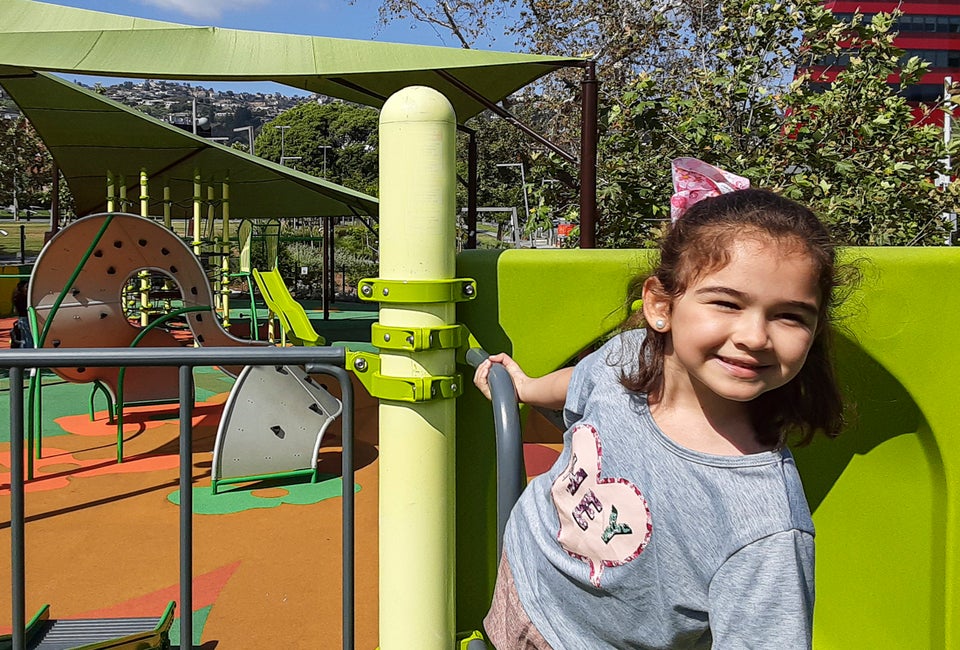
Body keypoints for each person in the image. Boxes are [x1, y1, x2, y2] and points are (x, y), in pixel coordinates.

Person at [473, 180, 846, 649]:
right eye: (727, 303)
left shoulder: (766, 525)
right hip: (524, 572)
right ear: (661, 306)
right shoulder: (626, 358)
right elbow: (580, 380)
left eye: (790, 316)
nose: (755, 336)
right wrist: (525, 388)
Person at [10, 280, 33, 349]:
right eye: (27, 287)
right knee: (27, 339)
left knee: (26, 338)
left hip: (24, 319)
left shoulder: (18, 297)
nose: (28, 289)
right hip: (25, 319)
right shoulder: (21, 298)